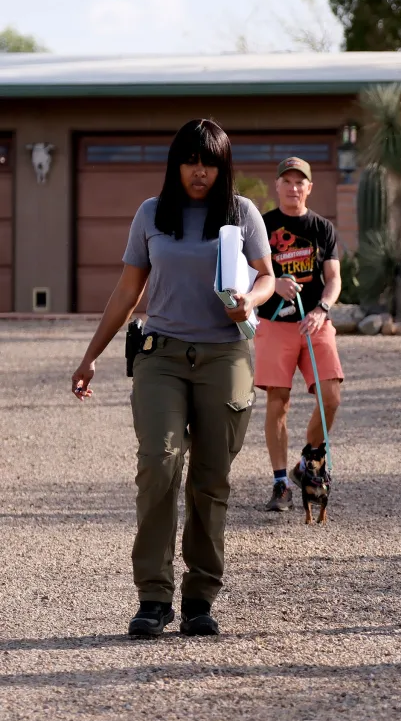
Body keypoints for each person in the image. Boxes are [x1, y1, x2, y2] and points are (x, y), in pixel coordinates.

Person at [71, 119, 275, 637]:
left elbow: (267, 275)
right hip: (160, 355)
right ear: (175, 164)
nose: (199, 172)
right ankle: (153, 597)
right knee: (159, 464)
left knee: (210, 479)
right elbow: (126, 292)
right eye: (190, 161)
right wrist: (91, 354)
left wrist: (249, 300)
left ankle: (200, 599)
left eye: (208, 162)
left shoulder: (241, 213)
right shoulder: (151, 214)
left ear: (222, 165)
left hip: (225, 355)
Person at [254, 157, 343, 512]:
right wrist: (274, 282)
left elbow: (333, 278)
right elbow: (248, 273)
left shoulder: (322, 228)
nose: (293, 187)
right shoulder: (262, 226)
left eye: (299, 182)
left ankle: (306, 463)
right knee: (279, 401)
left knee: (331, 396)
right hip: (275, 323)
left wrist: (323, 308)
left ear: (309, 187)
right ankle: (280, 483)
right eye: (287, 181)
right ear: (277, 186)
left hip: (315, 323)